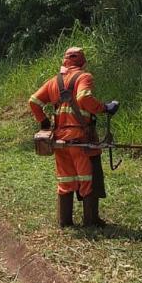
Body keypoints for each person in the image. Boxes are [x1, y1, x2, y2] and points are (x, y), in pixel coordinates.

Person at [29, 47, 119, 227]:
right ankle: (90, 221)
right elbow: (84, 97)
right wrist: (104, 108)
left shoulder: (54, 81)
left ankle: (65, 221)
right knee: (87, 179)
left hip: (60, 140)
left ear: (65, 61)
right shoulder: (84, 77)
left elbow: (33, 101)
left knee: (66, 180)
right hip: (80, 139)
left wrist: (44, 122)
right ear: (83, 62)